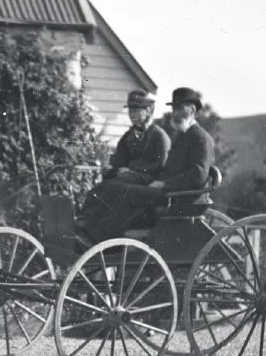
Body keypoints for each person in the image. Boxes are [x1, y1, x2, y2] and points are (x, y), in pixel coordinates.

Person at [76, 87, 215, 245]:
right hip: (168, 191)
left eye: (180, 109)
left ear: (192, 111)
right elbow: (168, 169)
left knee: (127, 192)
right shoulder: (183, 136)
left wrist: (164, 184)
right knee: (117, 187)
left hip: (179, 197)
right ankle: (89, 229)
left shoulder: (201, 138)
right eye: (174, 108)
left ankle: (97, 238)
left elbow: (197, 176)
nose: (175, 113)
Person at [103, 90, 171, 184]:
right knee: (101, 186)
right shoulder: (127, 136)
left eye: (135, 111)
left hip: (150, 182)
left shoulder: (159, 136)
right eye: (130, 111)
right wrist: (110, 170)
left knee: (118, 184)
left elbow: (161, 165)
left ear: (148, 111)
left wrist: (132, 170)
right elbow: (119, 162)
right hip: (128, 178)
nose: (132, 115)